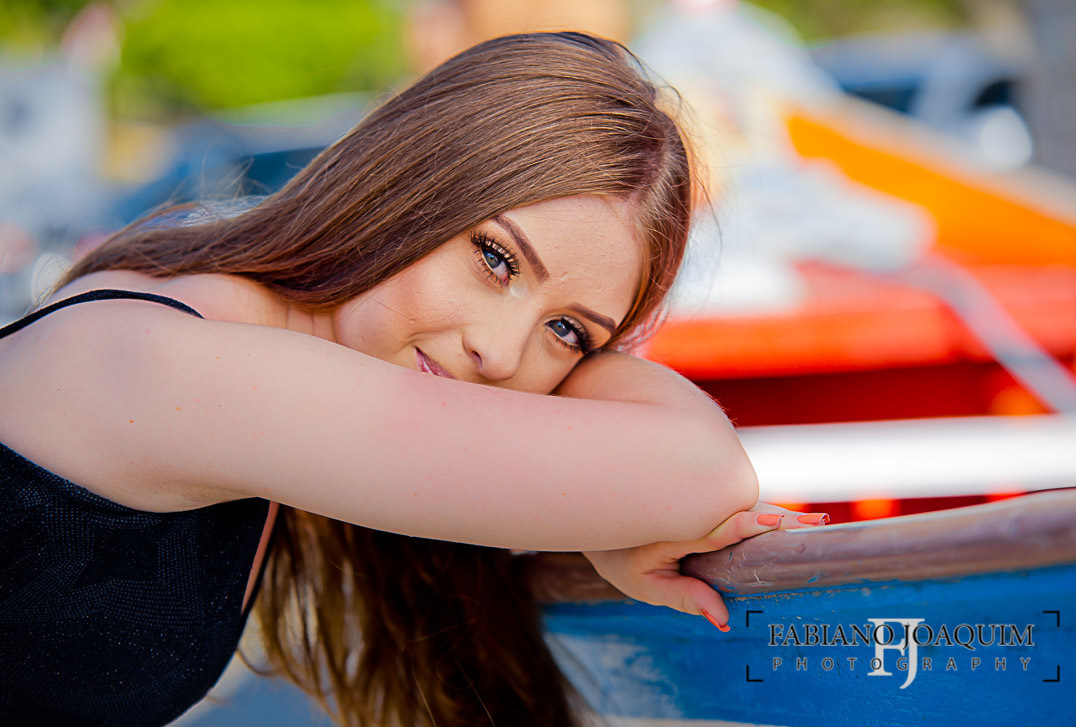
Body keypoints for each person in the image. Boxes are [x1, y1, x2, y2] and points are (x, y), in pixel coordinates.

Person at [0, 31, 827, 727]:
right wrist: (618, 501)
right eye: (496, 258)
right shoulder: (189, 369)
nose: (499, 354)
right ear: (408, 184)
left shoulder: (210, 302)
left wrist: (609, 499)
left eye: (568, 332)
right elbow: (701, 470)